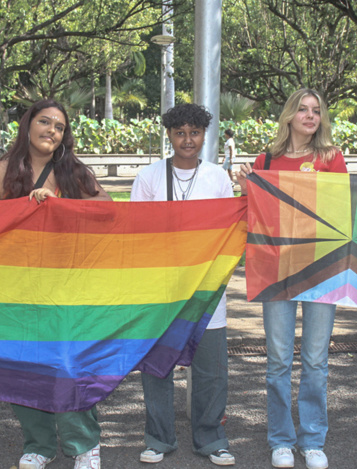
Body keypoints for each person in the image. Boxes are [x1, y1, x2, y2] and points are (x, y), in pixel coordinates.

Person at [0, 98, 111, 469]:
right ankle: (38, 444)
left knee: (67, 365)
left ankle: (85, 445)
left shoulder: (73, 172)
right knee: (23, 367)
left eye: (59, 127)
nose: (51, 130)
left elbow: (107, 211)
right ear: (27, 124)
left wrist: (60, 205)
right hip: (14, 289)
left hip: (65, 288)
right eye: (44, 122)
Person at [237, 88, 347, 469]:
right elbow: (258, 216)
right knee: (279, 360)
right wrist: (246, 188)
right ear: (289, 115)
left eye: (316, 110)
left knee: (316, 361)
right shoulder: (266, 159)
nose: (310, 115)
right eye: (302, 108)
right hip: (277, 270)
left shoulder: (331, 158)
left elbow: (340, 211)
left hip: (322, 268)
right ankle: (281, 440)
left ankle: (313, 439)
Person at [131, 103, 236, 467]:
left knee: (210, 370)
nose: (187, 140)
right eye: (180, 133)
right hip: (161, 291)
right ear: (169, 135)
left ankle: (212, 438)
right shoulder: (149, 177)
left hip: (207, 291)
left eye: (194, 132)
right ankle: (158, 438)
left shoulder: (218, 178)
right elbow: (136, 232)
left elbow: (229, 231)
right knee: (157, 367)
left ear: (205, 135)